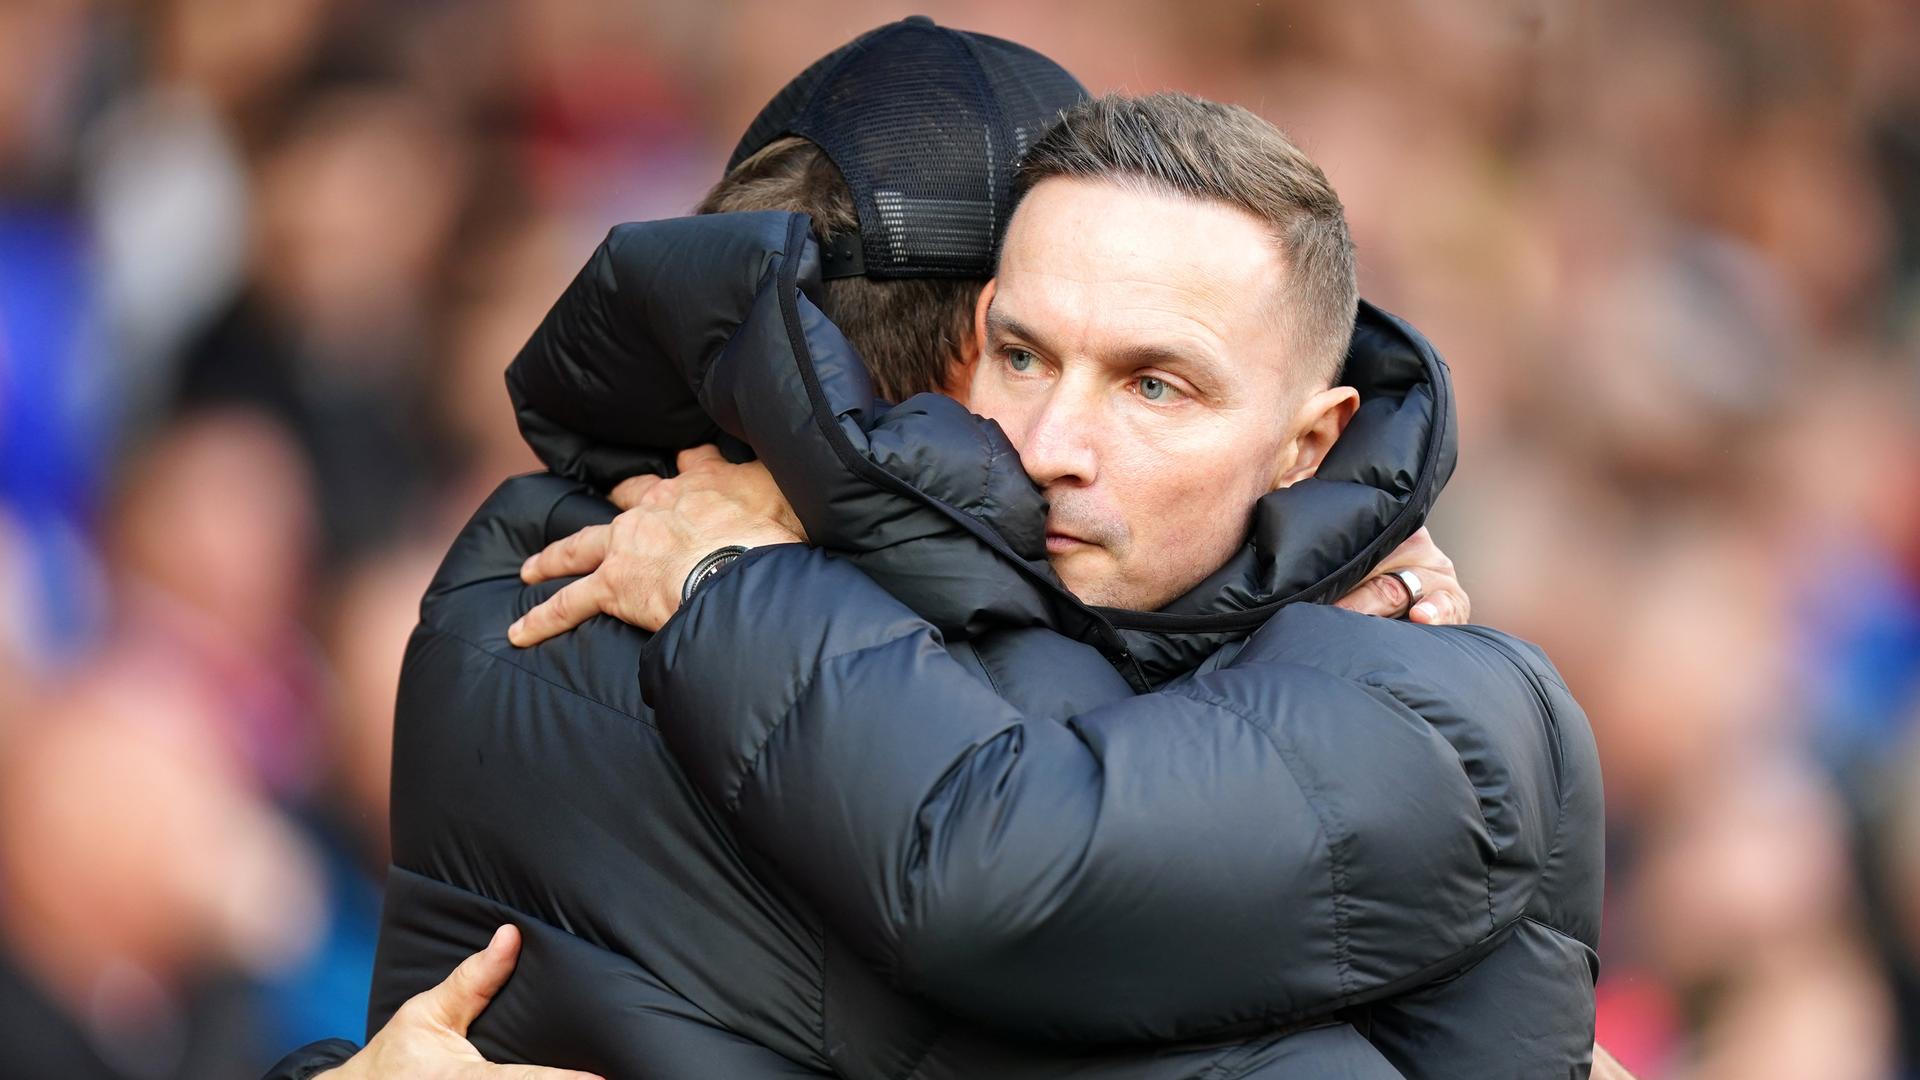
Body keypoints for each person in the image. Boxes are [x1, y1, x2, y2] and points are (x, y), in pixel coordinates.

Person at [261, 19, 1537, 1080]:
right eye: (1030, 355)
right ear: (968, 355)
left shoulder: (513, 564)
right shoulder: (1031, 681)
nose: (1056, 445)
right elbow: (1017, 884)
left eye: (1151, 382)